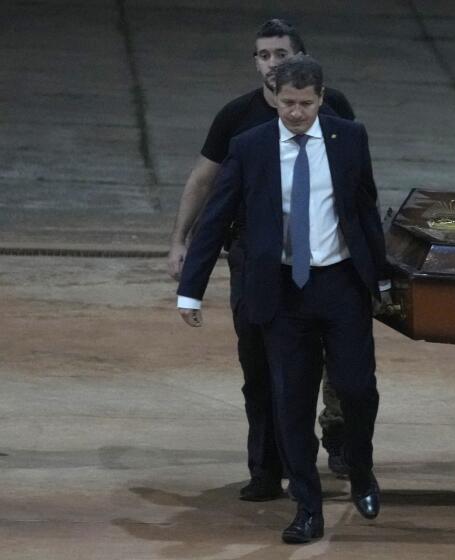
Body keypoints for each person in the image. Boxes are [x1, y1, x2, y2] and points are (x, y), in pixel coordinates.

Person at [176, 55, 388, 544]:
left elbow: (364, 208)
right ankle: (308, 507)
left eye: (305, 104)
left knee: (357, 389)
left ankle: (362, 471)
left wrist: (379, 280)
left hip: (340, 286)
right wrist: (191, 288)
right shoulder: (250, 146)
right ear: (275, 96)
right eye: (287, 103)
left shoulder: (349, 137)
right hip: (282, 292)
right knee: (290, 402)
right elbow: (216, 217)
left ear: (321, 98)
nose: (295, 113)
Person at [166, 19, 354, 502]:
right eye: (263, 55)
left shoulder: (334, 112)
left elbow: (355, 190)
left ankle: (312, 459)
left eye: (280, 54)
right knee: (258, 369)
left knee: (310, 369)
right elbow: (203, 182)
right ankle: (266, 470)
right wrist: (179, 241)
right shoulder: (237, 118)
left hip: (319, 264)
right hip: (253, 262)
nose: (271, 63)